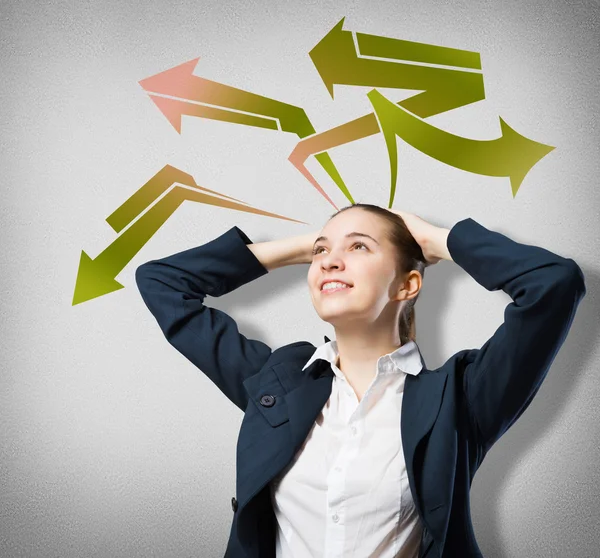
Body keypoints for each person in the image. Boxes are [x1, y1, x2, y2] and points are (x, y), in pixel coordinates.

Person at [135, 203, 586, 558]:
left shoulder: (460, 399)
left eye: (358, 248)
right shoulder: (276, 386)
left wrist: (439, 240)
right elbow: (163, 283)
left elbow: (554, 283)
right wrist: (301, 249)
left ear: (407, 285)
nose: (330, 261)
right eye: (321, 251)